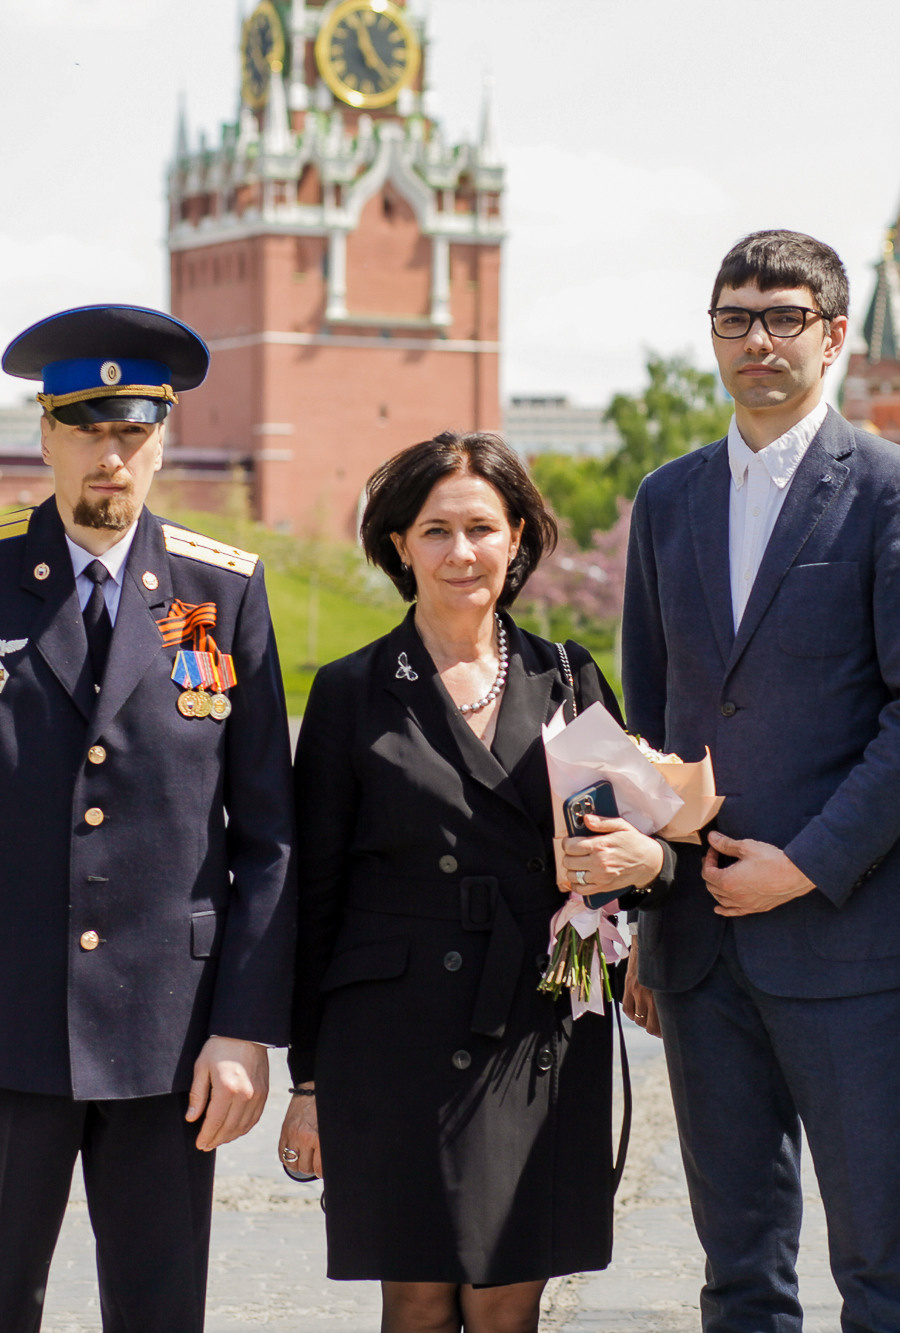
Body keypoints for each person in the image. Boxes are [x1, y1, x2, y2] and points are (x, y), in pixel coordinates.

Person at [0, 304, 296, 1333]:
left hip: (169, 1037)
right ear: (45, 435)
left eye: (133, 430)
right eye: (85, 428)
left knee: (159, 1314)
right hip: (1, 1027)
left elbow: (268, 840)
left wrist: (243, 1026)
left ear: (164, 441)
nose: (109, 455)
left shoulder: (216, 594)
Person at [617, 230, 900, 1332]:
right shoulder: (666, 498)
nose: (757, 341)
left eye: (783, 318)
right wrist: (643, 908)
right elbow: (651, 721)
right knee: (737, 1270)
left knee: (880, 1263)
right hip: (697, 940)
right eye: (735, 318)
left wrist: (806, 864)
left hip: (850, 937)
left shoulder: (894, 492)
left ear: (832, 335)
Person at [278, 432, 671, 1333]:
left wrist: (642, 899)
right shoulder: (351, 691)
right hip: (390, 1032)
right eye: (437, 530)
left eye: (483, 529)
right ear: (398, 547)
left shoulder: (567, 676)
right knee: (414, 1299)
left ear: (519, 539)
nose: (462, 553)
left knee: (506, 1299)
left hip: (535, 1022)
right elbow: (314, 897)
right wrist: (308, 1081)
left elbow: (646, 846)